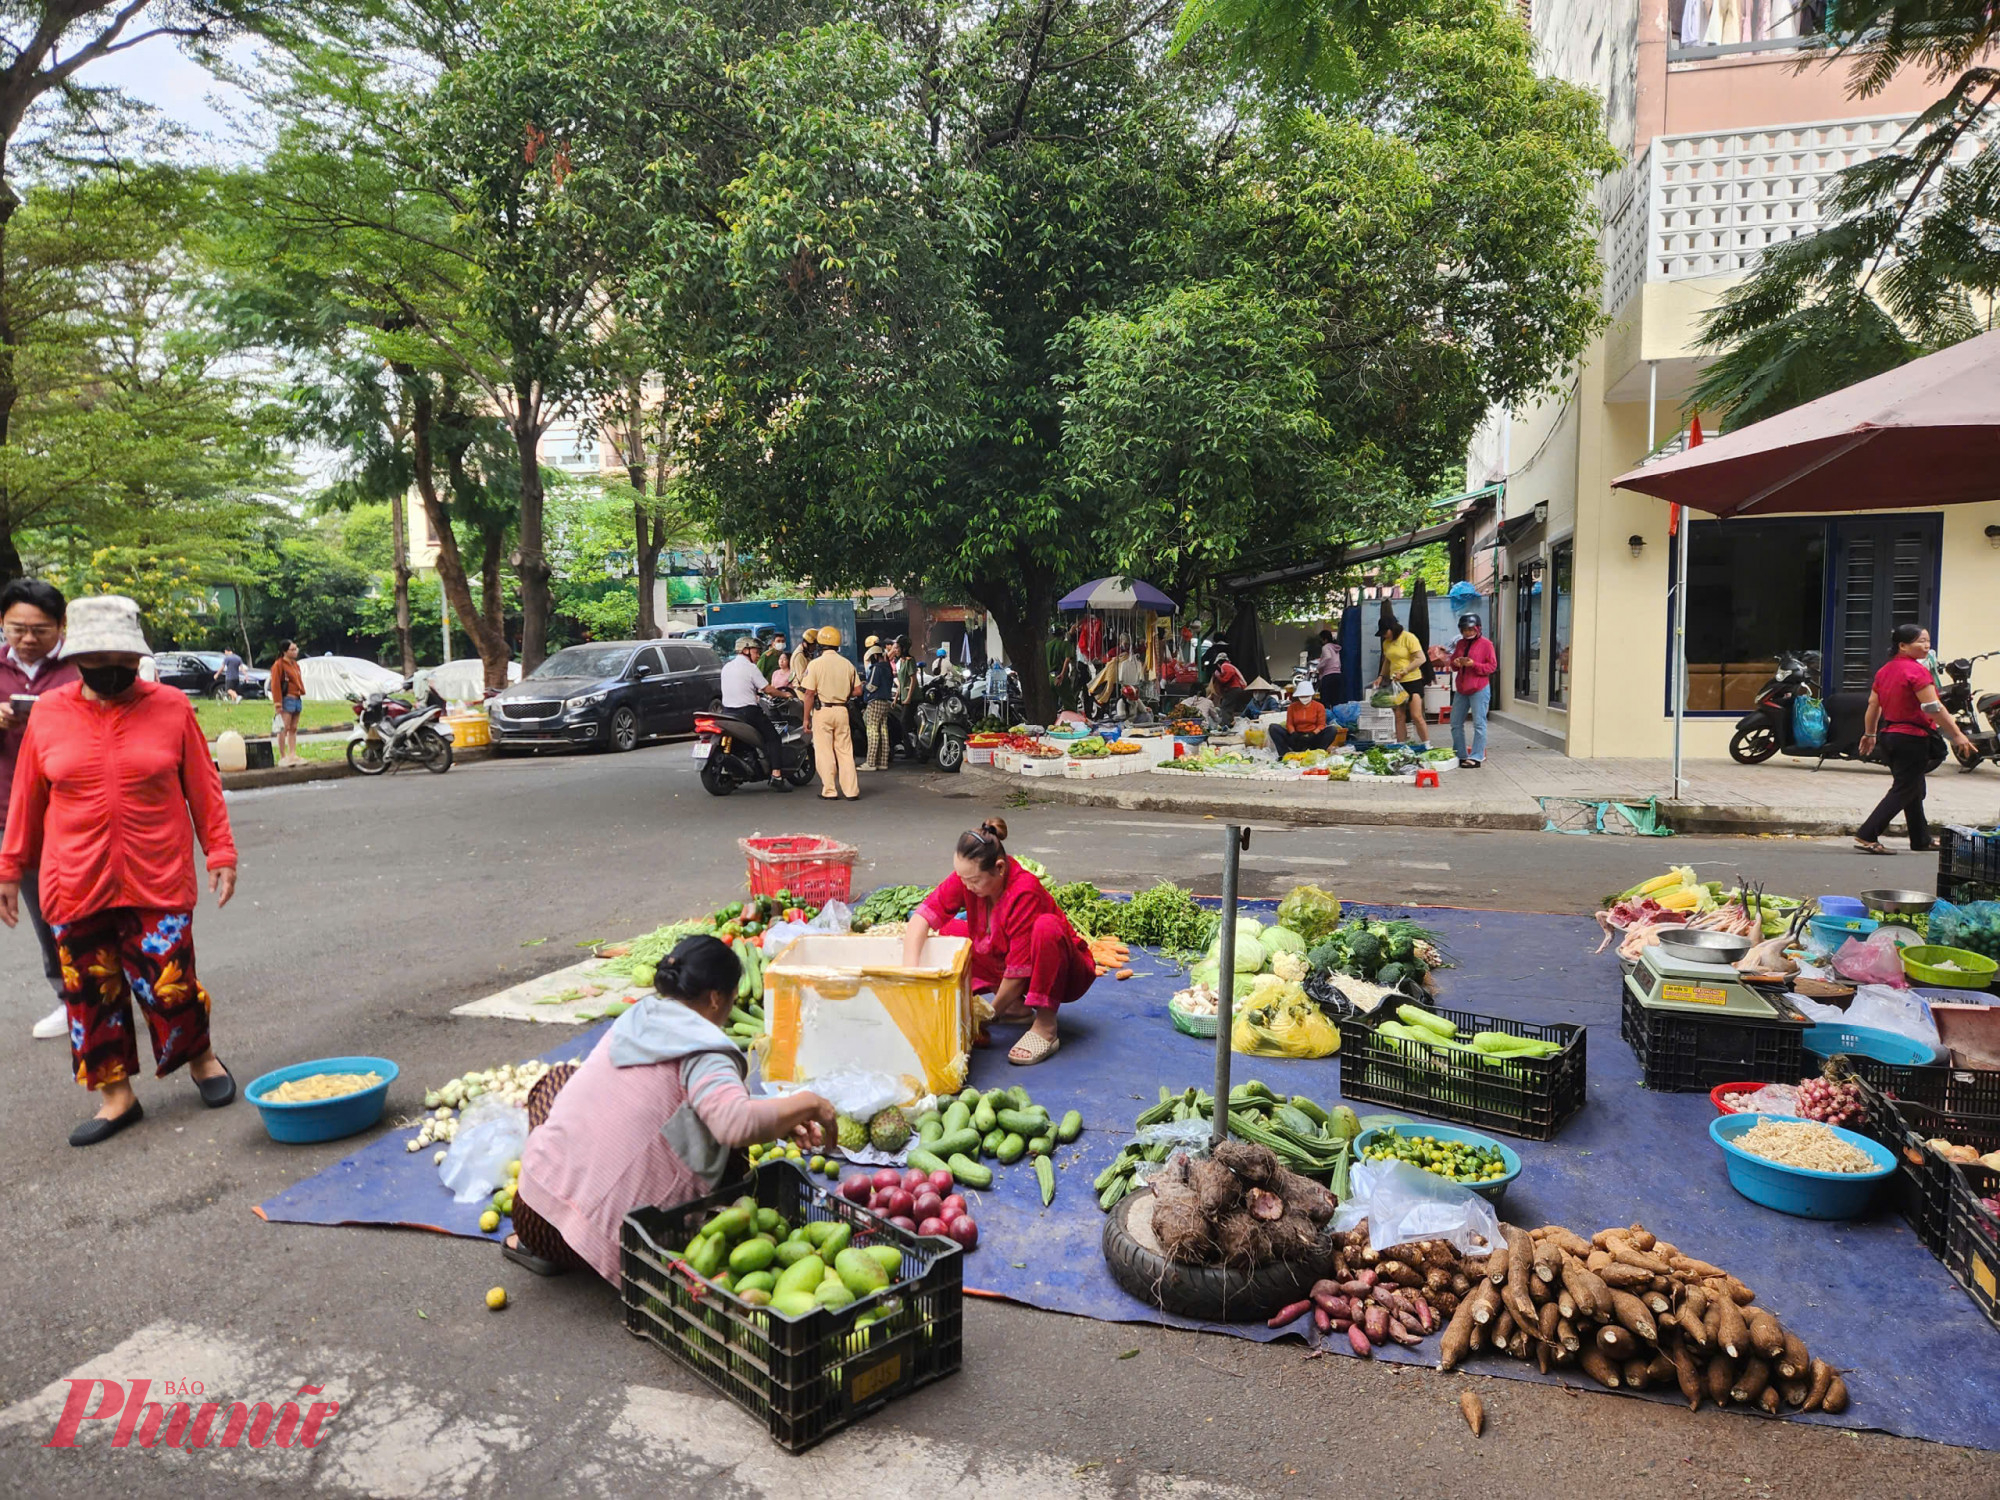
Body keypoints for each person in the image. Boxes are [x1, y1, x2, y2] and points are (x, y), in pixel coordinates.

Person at [0, 595, 239, 1146]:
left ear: (137, 658)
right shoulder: (51, 714)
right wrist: (10, 867)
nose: (112, 671)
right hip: (74, 878)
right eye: (98, 659)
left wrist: (220, 852)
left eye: (123, 661)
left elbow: (203, 788)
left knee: (169, 984)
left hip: (157, 873)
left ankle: (200, 1059)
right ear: (78, 656)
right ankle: (117, 1096)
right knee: (90, 993)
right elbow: (27, 799)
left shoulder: (171, 707)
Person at [504, 934, 834, 1279]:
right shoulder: (706, 1050)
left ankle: (548, 1231)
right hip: (626, 1246)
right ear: (717, 997)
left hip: (532, 1216)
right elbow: (734, 1125)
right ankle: (596, 1246)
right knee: (732, 1151)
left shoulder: (636, 1018)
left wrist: (780, 1116)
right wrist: (807, 1102)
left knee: (558, 1079)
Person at [901, 818, 1094, 1065]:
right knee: (950, 931)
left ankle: (1046, 1024)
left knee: (1046, 928)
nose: (967, 887)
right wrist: (910, 977)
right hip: (1011, 965)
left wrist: (986, 1016)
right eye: (963, 879)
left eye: (974, 881)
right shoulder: (969, 876)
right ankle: (1014, 1008)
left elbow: (1018, 970)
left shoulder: (1024, 891)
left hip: (1063, 973)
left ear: (1000, 868)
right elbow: (921, 919)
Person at [0, 578, 81, 1041]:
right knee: (43, 907)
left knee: (93, 901)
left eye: (40, 630)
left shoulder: (78, 667)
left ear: (60, 626)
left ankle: (116, 982)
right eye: (18, 629)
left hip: (73, 808)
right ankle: (67, 998)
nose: (28, 639)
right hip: (10, 808)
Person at [1856, 624, 1975, 856]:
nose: (1927, 645)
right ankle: (1867, 833)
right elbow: (1932, 707)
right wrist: (1957, 734)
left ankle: (1920, 838)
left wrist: (1869, 733)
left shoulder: (1884, 671)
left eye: (1928, 641)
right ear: (1902, 646)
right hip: (1911, 738)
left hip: (1890, 736)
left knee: (1914, 787)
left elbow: (1873, 705)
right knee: (1904, 788)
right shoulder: (1917, 671)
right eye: (1920, 641)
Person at [797, 626, 861, 800]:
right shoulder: (847, 664)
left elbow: (809, 693)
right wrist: (843, 695)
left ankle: (830, 790)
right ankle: (851, 791)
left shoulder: (815, 664)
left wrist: (805, 718)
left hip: (822, 711)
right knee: (845, 751)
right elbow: (858, 690)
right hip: (842, 710)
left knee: (825, 752)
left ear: (820, 645)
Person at [720, 636, 789, 790]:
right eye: (756, 652)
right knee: (773, 738)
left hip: (727, 712)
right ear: (746, 650)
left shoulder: (726, 667)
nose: (758, 655)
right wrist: (785, 695)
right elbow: (768, 689)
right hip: (747, 712)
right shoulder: (751, 668)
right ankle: (777, 775)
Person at [1447, 613, 1498, 768]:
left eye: (1470, 629)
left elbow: (1492, 666)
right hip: (1462, 688)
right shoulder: (1460, 644)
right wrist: (1456, 662)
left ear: (1477, 628)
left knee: (1479, 723)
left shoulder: (1486, 644)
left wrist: (1473, 664)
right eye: (1464, 630)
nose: (1468, 632)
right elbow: (1453, 664)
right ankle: (1460, 754)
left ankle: (1477, 756)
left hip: (1479, 688)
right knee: (1455, 722)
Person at [1372, 614, 1430, 745]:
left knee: (1416, 715)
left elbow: (1421, 658)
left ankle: (1427, 744)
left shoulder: (1409, 638)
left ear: (1393, 628)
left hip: (1413, 681)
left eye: (1385, 632)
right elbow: (1387, 661)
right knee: (1399, 716)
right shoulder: (1386, 643)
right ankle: (1401, 745)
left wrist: (1404, 671)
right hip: (1396, 684)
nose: (1384, 635)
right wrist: (1381, 676)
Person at [1267, 681, 1335, 758]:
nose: (1304, 698)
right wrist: (1293, 733)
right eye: (1302, 696)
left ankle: (1318, 752)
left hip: (1313, 737)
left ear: (1311, 695)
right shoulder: (1292, 707)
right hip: (1296, 737)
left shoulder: (1319, 706)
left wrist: (1313, 733)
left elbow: (1321, 725)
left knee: (1332, 730)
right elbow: (1289, 723)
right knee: (1273, 728)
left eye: (1306, 696)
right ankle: (1285, 754)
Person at [269, 640, 305, 767]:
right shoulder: (279, 665)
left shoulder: (295, 665)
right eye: (292, 649)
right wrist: (278, 703)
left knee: (293, 728)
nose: (295, 652)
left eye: (296, 649)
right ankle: (283, 756)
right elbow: (275, 685)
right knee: (283, 728)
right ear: (285, 651)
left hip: (297, 697)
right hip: (286, 699)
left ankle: (292, 754)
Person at [861, 640, 895, 771]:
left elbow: (872, 686)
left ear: (875, 656)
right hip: (886, 701)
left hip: (875, 701)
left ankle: (870, 763)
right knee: (883, 731)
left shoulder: (877, 668)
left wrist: (864, 687)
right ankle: (883, 762)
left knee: (872, 731)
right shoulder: (888, 668)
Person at [1205, 650, 1249, 718]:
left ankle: (1226, 724)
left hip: (1234, 689)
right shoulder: (1230, 666)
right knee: (1231, 707)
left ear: (1219, 662)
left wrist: (1218, 676)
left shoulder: (1225, 666)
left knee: (1225, 707)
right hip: (1237, 689)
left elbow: (1225, 679)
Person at [893, 635, 919, 742]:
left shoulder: (910, 661)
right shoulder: (900, 662)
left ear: (904, 648)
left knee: (904, 722)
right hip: (903, 698)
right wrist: (896, 698)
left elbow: (913, 680)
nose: (895, 650)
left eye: (897, 648)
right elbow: (901, 683)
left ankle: (912, 747)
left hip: (912, 698)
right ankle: (909, 748)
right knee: (903, 722)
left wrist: (908, 698)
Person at [1314, 629, 1342, 705]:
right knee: (1336, 700)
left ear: (1325, 639)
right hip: (1338, 674)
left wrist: (1318, 667)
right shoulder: (1335, 648)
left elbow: (1328, 657)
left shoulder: (1325, 647)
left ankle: (1326, 715)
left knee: (1325, 699)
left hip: (1328, 675)